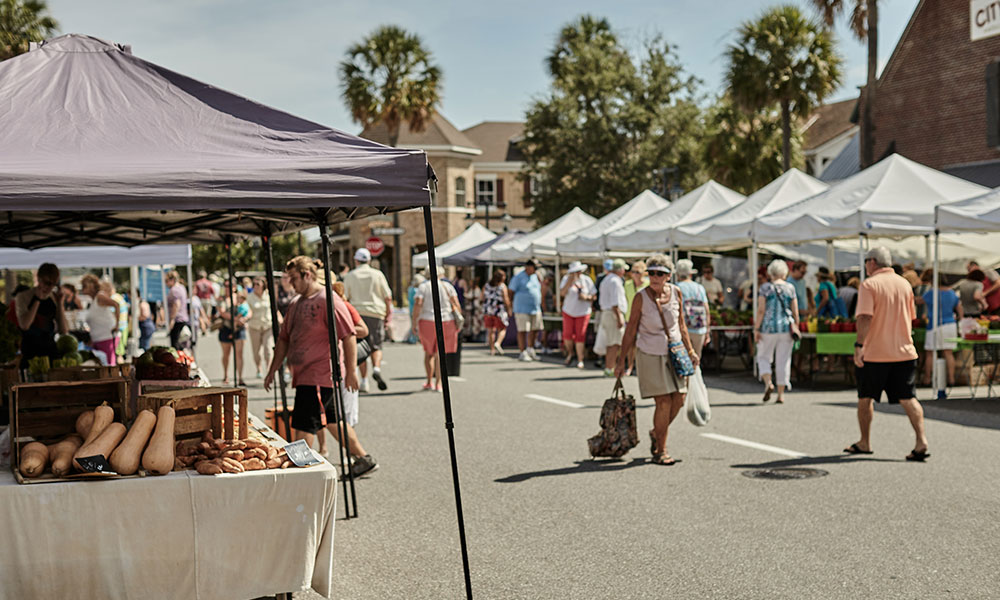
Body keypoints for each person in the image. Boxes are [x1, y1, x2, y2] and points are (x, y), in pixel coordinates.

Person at [264, 256, 377, 478]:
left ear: (308, 275)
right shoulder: (296, 303)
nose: (292, 284)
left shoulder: (329, 300)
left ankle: (303, 472)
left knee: (303, 425)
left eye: (294, 278)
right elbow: (284, 339)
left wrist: (352, 371)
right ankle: (364, 459)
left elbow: (349, 336)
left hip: (319, 374)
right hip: (304, 374)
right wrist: (272, 369)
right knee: (334, 421)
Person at [846, 247, 929, 461]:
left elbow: (864, 317)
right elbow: (910, 317)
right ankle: (921, 441)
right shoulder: (905, 284)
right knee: (908, 397)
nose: (865, 265)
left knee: (865, 398)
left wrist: (859, 345)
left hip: (875, 353)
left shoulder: (869, 284)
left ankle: (865, 442)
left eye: (866, 261)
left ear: (872, 262)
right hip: (904, 351)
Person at [615, 255, 698, 466]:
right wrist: (621, 360)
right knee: (663, 401)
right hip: (650, 353)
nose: (654, 277)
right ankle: (661, 450)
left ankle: (656, 432)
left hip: (675, 352)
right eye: (650, 273)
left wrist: (690, 350)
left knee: (679, 399)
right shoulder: (641, 298)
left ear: (668, 276)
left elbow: (681, 325)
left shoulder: (676, 293)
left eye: (659, 273)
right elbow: (630, 330)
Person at [342, 248, 392, 392]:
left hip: (357, 314)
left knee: (361, 347)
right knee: (376, 346)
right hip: (376, 313)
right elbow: (387, 297)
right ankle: (376, 368)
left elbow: (345, 298)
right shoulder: (378, 275)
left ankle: (364, 381)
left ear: (356, 260)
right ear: (369, 260)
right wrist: (388, 315)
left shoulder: (350, 276)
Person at [754, 260, 799, 404]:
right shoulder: (790, 288)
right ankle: (781, 394)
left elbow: (761, 310)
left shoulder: (765, 288)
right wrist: (796, 325)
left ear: (770, 273)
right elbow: (795, 311)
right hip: (786, 327)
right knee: (784, 360)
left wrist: (756, 328)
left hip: (768, 328)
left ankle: (768, 383)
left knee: (763, 357)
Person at [411, 267, 463, 391]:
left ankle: (429, 381)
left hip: (427, 320)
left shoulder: (423, 287)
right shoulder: (447, 286)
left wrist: (414, 322)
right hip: (446, 320)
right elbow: (456, 303)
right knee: (441, 353)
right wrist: (458, 320)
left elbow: (418, 304)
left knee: (429, 353)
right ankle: (439, 383)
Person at [15, 263, 68, 367]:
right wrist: (37, 300)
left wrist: (60, 304)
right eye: (47, 283)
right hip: (30, 351)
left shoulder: (54, 297)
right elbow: (25, 325)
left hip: (50, 350)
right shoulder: (24, 297)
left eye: (54, 284)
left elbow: (64, 330)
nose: (50, 287)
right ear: (38, 279)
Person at [920, 271, 962, 386]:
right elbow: (959, 308)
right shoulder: (952, 293)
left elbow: (919, 301)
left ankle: (927, 379)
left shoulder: (932, 292)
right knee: (948, 353)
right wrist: (960, 320)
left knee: (930, 353)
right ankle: (951, 379)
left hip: (934, 325)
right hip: (950, 325)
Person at [560, 261, 596, 369]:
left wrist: (587, 298)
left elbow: (594, 296)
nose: (577, 273)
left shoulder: (587, 280)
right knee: (567, 334)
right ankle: (571, 353)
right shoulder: (566, 279)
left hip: (583, 312)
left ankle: (580, 359)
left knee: (580, 335)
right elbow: (562, 293)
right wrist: (569, 282)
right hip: (568, 311)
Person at [79, 274, 119, 366]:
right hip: (99, 339)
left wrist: (117, 325)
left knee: (108, 367)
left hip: (106, 337)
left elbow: (116, 305)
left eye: (84, 286)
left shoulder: (99, 297)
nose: (82, 289)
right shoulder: (94, 300)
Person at [509, 258, 543, 362]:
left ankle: (530, 349)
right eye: (535, 267)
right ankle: (522, 352)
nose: (536, 270)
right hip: (521, 308)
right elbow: (511, 291)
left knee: (535, 329)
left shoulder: (535, 276)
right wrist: (510, 305)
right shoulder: (518, 277)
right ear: (528, 267)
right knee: (523, 330)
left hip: (535, 308)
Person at [599, 259, 628, 377]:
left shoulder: (607, 279)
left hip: (608, 313)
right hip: (613, 314)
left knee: (611, 342)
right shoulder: (615, 281)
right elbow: (615, 302)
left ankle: (609, 367)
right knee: (614, 343)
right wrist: (619, 317)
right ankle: (610, 368)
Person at [675, 259, 711, 353]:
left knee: (683, 360)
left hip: (682, 329)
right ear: (690, 274)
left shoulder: (675, 288)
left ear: (677, 274)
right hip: (699, 329)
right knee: (696, 359)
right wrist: (707, 330)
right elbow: (706, 309)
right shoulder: (699, 288)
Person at [218, 289, 251, 386]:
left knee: (239, 354)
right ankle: (226, 375)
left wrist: (245, 318)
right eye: (226, 286)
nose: (228, 288)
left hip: (239, 329)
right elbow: (222, 312)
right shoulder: (222, 299)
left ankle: (240, 377)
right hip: (226, 328)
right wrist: (237, 319)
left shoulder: (241, 298)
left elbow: (249, 310)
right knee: (226, 354)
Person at [247, 276, 275, 379]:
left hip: (267, 325)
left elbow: (274, 309)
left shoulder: (268, 295)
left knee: (268, 349)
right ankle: (258, 368)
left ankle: (268, 370)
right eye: (254, 284)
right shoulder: (250, 297)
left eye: (258, 284)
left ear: (263, 285)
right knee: (256, 351)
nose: (255, 286)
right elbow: (247, 310)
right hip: (255, 326)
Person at [623, 260, 648, 376]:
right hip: (629, 317)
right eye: (633, 272)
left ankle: (642, 367)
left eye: (637, 272)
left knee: (643, 343)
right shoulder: (627, 284)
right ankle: (630, 366)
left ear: (644, 273)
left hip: (644, 318)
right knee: (630, 344)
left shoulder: (647, 284)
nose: (635, 274)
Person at [483, 270, 511, 355]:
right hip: (499, 310)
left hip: (488, 310)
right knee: (502, 328)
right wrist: (509, 308)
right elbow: (506, 299)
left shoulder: (487, 285)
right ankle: (498, 343)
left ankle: (492, 350)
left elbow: (482, 297)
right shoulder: (502, 286)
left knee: (491, 330)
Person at [164, 270, 190, 350]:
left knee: (176, 346)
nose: (166, 283)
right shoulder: (181, 287)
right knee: (182, 345)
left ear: (172, 280)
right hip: (183, 318)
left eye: (167, 281)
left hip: (177, 320)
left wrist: (172, 319)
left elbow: (176, 305)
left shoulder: (174, 290)